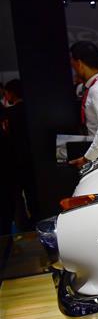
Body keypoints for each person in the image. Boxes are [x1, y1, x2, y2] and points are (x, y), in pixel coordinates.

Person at [0, 79, 36, 234]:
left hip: (13, 160)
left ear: (11, 93)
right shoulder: (31, 110)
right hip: (33, 158)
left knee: (16, 196)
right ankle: (36, 221)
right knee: (33, 192)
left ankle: (23, 227)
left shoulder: (9, 114)